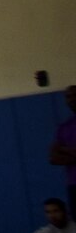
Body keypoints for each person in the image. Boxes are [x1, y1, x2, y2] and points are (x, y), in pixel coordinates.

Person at [49, 85, 76, 213]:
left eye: (74, 95)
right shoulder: (65, 127)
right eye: (68, 97)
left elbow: (59, 152)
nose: (72, 99)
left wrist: (64, 150)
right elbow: (53, 157)